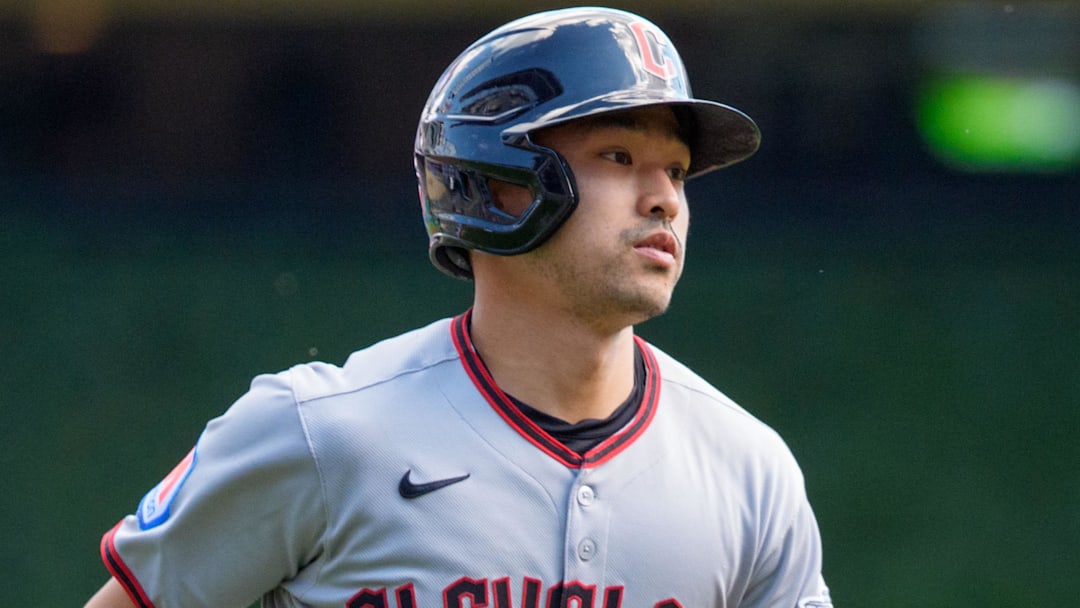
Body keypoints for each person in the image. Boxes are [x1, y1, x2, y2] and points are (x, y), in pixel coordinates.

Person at [85, 7, 832, 608]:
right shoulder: (317, 435)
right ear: (498, 178)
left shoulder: (749, 471)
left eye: (675, 169)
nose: (666, 196)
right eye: (618, 156)